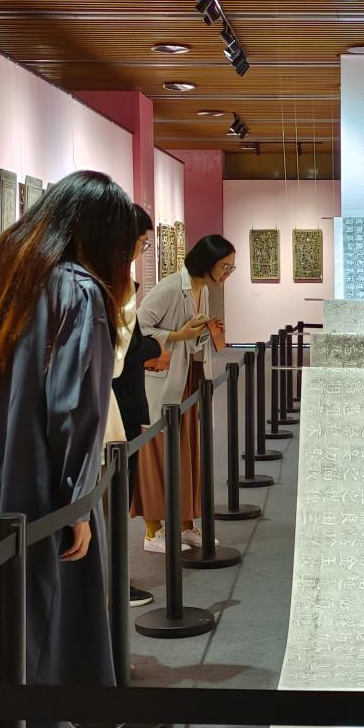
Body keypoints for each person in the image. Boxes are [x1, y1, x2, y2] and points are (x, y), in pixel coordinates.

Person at [0, 170, 137, 728]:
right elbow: (74, 408)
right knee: (41, 618)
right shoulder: (77, 290)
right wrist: (77, 504)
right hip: (35, 485)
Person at [131, 234, 235, 551]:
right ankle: (153, 532)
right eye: (225, 266)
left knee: (186, 454)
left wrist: (206, 331)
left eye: (231, 267)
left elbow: (190, 337)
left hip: (187, 381)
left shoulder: (202, 289)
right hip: (162, 383)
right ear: (207, 263)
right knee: (156, 454)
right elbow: (138, 330)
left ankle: (184, 524)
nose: (228, 273)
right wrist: (179, 334)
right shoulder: (169, 288)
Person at [110, 205, 161, 604]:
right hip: (110, 408)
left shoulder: (114, 283)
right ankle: (109, 584)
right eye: (142, 242)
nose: (142, 250)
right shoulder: (106, 286)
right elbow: (116, 357)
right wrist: (157, 347)